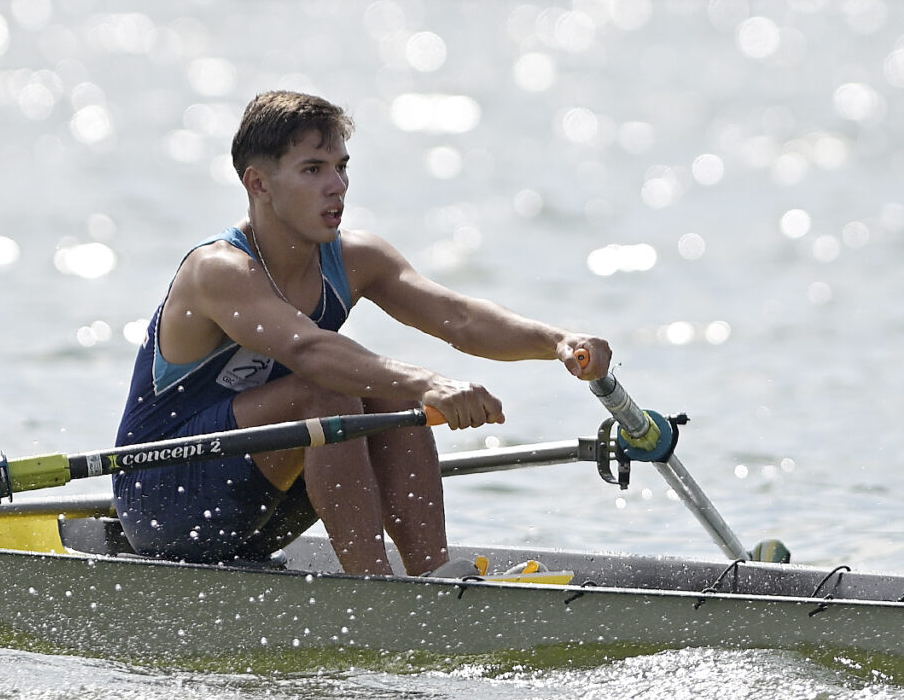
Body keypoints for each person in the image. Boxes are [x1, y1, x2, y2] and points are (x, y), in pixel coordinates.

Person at [112, 90, 613, 576]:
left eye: (341, 167)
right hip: (163, 498)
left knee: (385, 394)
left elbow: (458, 317)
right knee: (334, 387)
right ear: (259, 184)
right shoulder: (218, 270)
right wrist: (427, 385)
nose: (338, 185)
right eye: (313, 169)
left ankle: (434, 576)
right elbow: (309, 350)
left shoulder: (357, 259)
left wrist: (558, 342)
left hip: (263, 500)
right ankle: (374, 591)